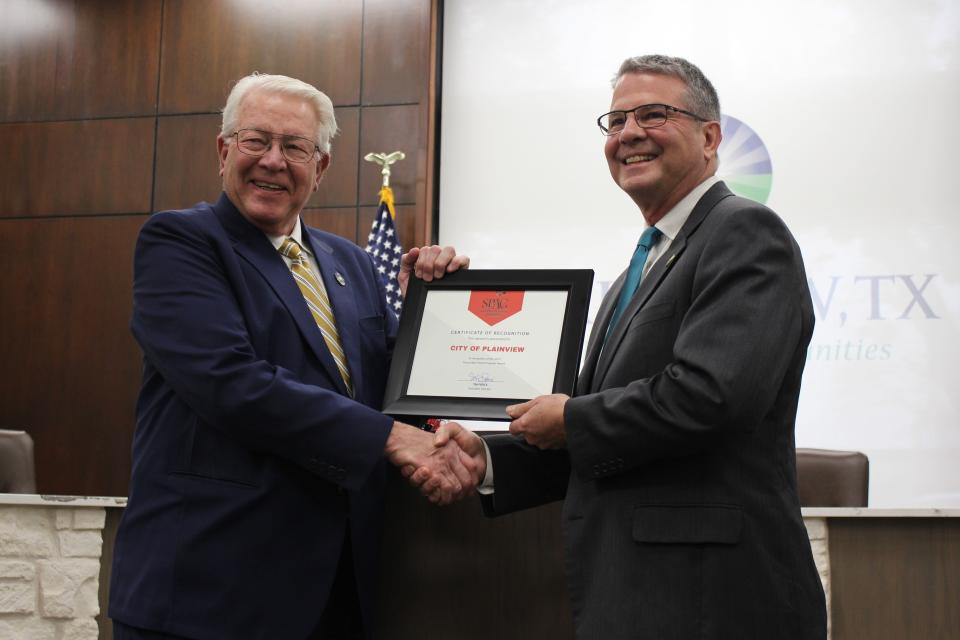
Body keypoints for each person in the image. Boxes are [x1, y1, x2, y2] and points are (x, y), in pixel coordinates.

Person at [419, 55, 827, 639]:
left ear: (710, 137)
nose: (628, 134)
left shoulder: (744, 232)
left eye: (653, 114)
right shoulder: (637, 270)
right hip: (635, 590)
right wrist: (488, 458)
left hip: (713, 598)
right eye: (615, 121)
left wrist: (571, 418)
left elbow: (711, 397)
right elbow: (602, 438)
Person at [109, 73, 476, 640]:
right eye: (256, 140)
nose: (273, 161)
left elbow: (385, 383)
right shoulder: (182, 243)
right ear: (224, 149)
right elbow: (232, 385)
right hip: (208, 596)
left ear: (321, 166)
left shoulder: (351, 263)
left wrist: (436, 312)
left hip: (335, 591)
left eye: (295, 147)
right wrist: (393, 439)